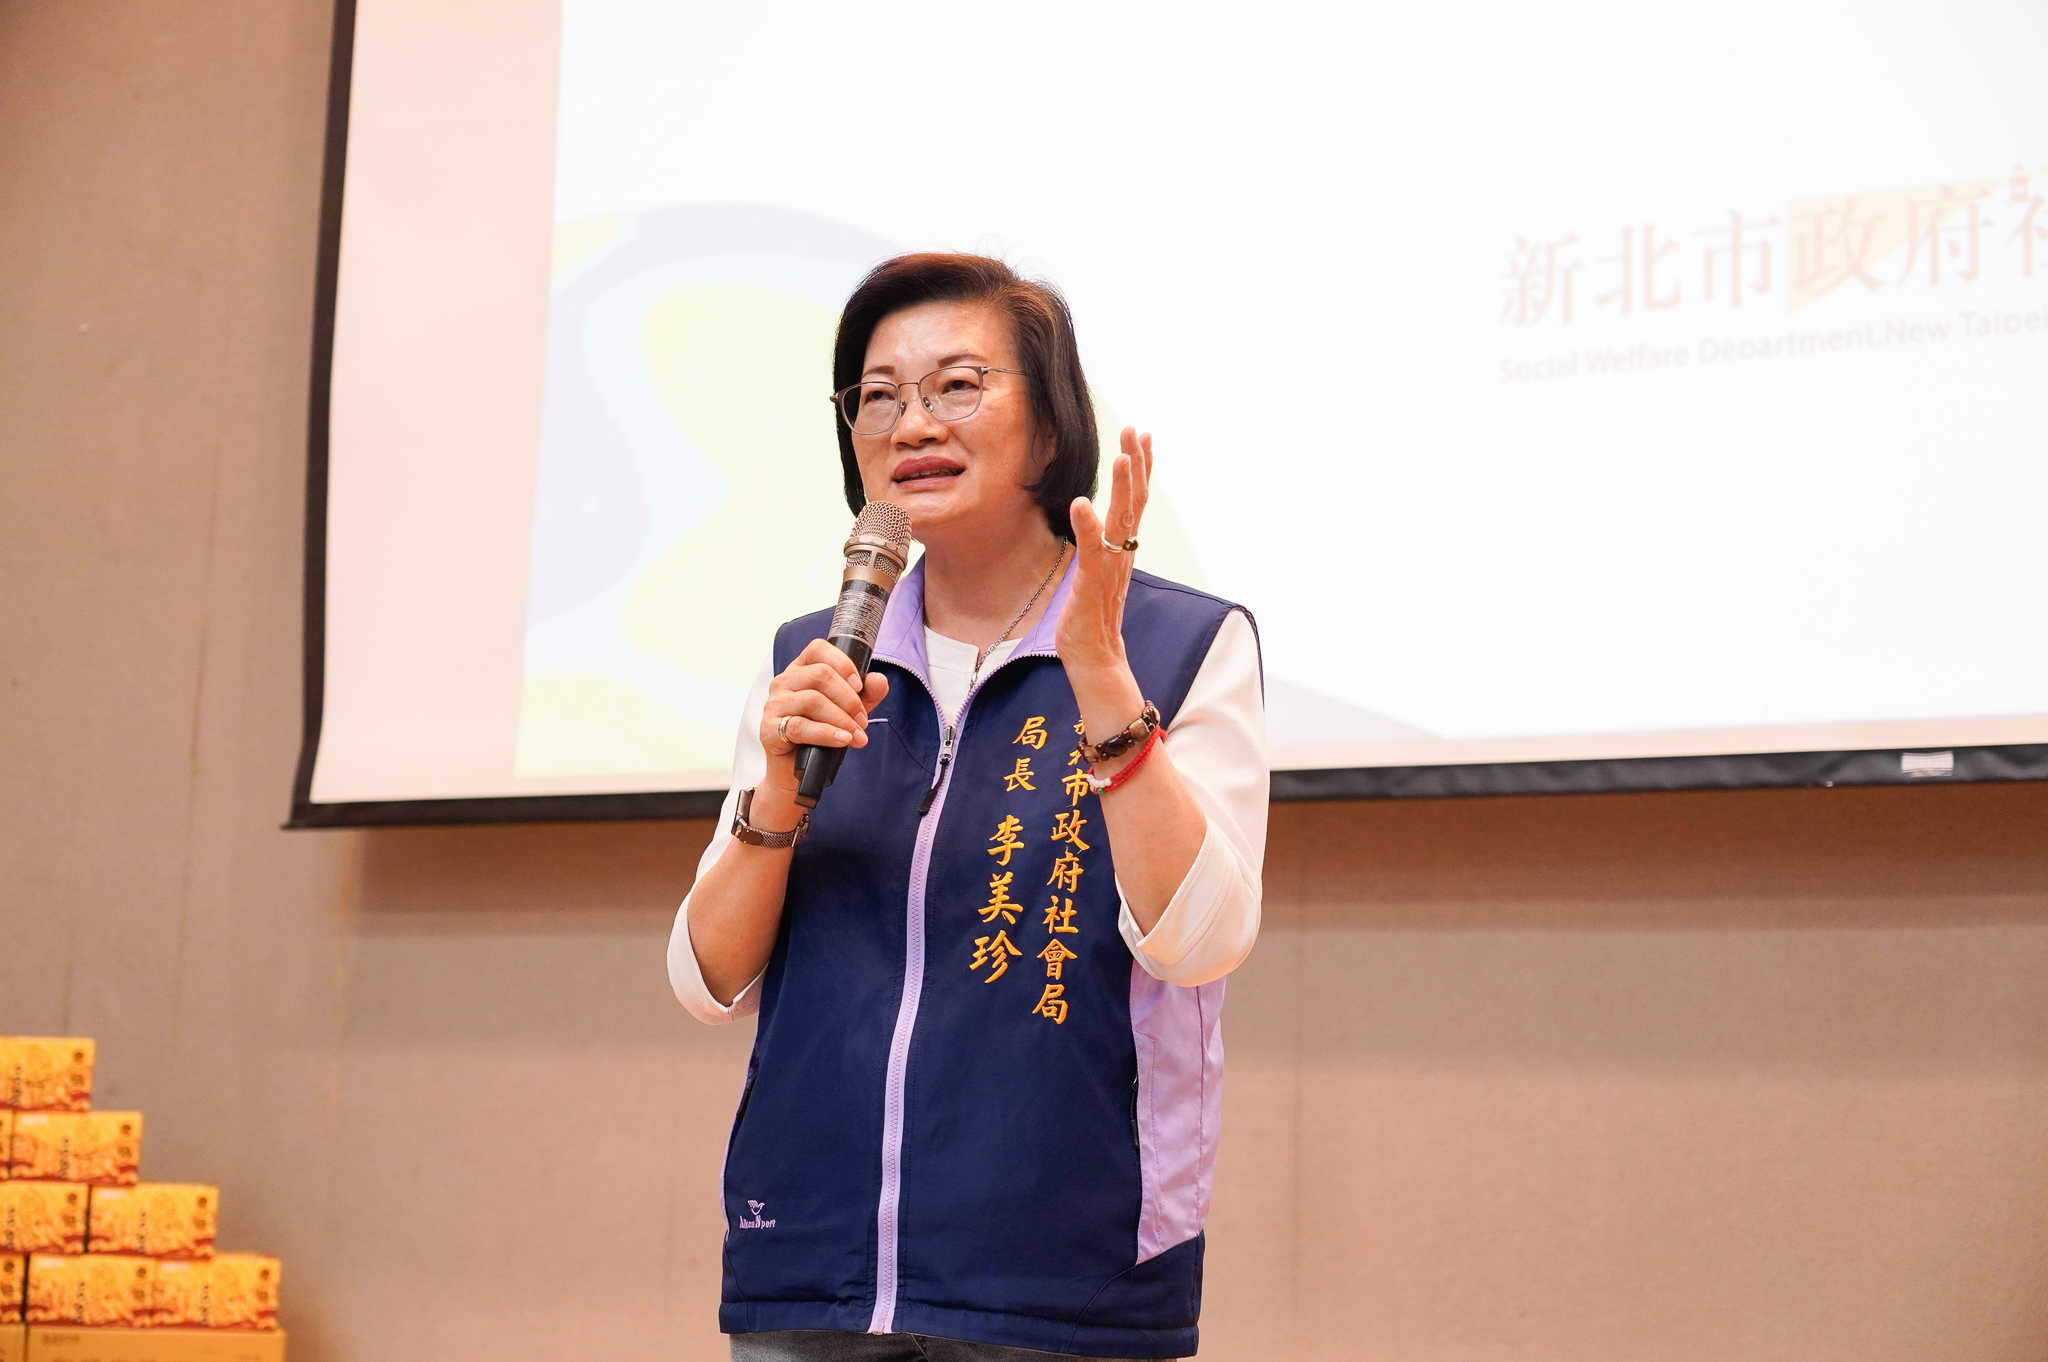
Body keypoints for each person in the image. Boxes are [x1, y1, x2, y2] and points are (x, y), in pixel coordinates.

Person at [668, 254, 1266, 1362]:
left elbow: (1201, 941)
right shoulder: (815, 661)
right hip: (812, 1278)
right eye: (877, 396)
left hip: (1058, 1285)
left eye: (957, 385)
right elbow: (708, 980)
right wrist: (776, 796)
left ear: (1049, 425)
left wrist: (1101, 680)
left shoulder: (1181, 645)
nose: (911, 424)